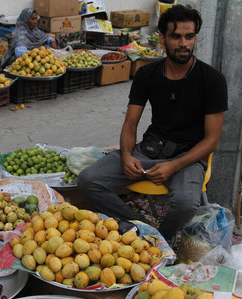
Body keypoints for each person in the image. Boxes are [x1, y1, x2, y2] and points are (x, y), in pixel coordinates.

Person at [78, 5, 228, 243]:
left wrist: (174, 166)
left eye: (189, 36)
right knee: (88, 180)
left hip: (189, 157)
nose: (183, 43)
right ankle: (143, 229)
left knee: (186, 204)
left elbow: (212, 140)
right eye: (176, 36)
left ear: (195, 38)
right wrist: (127, 155)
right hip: (151, 149)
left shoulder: (212, 80)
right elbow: (130, 123)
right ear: (162, 39)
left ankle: (162, 240)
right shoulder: (147, 74)